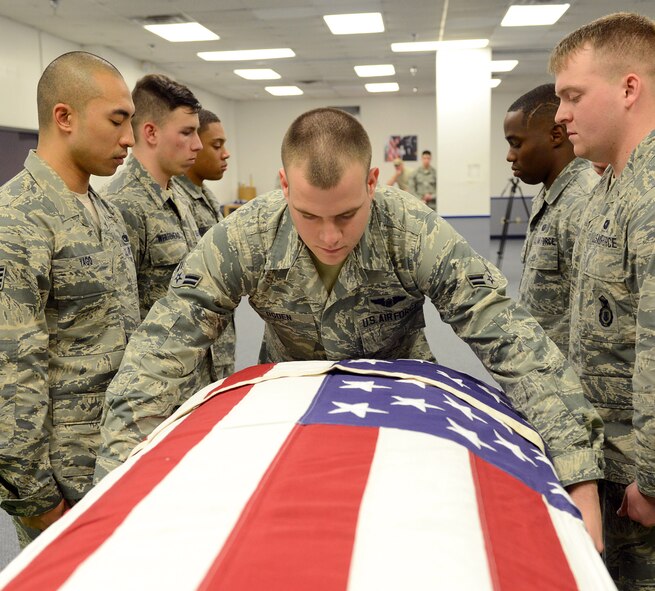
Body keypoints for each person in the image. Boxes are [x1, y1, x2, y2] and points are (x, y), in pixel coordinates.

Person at [96, 107, 604, 549]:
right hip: (287, 406)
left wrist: (578, 471)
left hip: (403, 400)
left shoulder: (411, 229)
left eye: (346, 214)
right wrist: (113, 482)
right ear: (283, 184)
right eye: (308, 215)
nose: (330, 236)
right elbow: (161, 351)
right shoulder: (245, 235)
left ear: (372, 182)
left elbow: (507, 334)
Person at [0, 51, 140, 546]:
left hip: (121, 454)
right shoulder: (18, 219)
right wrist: (37, 503)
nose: (128, 138)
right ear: (64, 117)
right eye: (117, 120)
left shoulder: (104, 211)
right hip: (65, 483)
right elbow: (10, 374)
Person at [550, 12, 655, 589]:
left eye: (573, 95)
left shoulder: (649, 194)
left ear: (628, 88)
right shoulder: (611, 184)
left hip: (642, 488)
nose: (561, 113)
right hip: (610, 470)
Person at [504, 83, 597, 354]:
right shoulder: (549, 195)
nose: (510, 156)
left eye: (516, 143)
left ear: (556, 135)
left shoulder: (583, 201)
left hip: (569, 375)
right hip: (545, 363)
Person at [103, 74, 202, 320]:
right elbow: (118, 314)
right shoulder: (121, 204)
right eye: (187, 132)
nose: (198, 144)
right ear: (151, 133)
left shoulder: (178, 194)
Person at [172, 108, 235, 379]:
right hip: (183, 357)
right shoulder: (174, 201)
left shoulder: (207, 199)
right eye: (216, 145)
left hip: (217, 348)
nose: (226, 153)